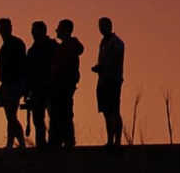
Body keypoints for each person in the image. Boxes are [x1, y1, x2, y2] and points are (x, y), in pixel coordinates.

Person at [49, 18, 84, 148]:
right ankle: (62, 140)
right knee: (62, 113)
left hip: (63, 86)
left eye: (59, 28)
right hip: (62, 85)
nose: (56, 30)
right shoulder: (65, 46)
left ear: (65, 30)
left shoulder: (68, 47)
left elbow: (65, 68)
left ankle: (64, 141)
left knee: (62, 114)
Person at [92, 16, 125, 149]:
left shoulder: (116, 42)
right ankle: (110, 140)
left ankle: (117, 141)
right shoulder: (103, 42)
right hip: (102, 81)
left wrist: (107, 70)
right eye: (100, 26)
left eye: (103, 26)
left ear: (110, 26)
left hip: (112, 81)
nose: (101, 29)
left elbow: (117, 61)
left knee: (114, 111)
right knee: (106, 112)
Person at [0, 17, 29, 150]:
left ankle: (11, 144)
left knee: (11, 115)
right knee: (11, 116)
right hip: (6, 83)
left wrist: (24, 86)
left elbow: (23, 65)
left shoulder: (16, 43)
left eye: (8, 26)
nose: (6, 29)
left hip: (15, 82)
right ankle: (21, 144)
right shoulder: (4, 46)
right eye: (3, 27)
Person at [25, 20, 58, 149]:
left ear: (42, 31)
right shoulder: (32, 51)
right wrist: (26, 90)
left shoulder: (53, 47)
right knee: (38, 119)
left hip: (51, 87)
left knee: (53, 117)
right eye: (32, 30)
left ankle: (53, 143)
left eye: (34, 29)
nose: (32, 32)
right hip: (36, 89)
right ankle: (41, 144)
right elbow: (28, 71)